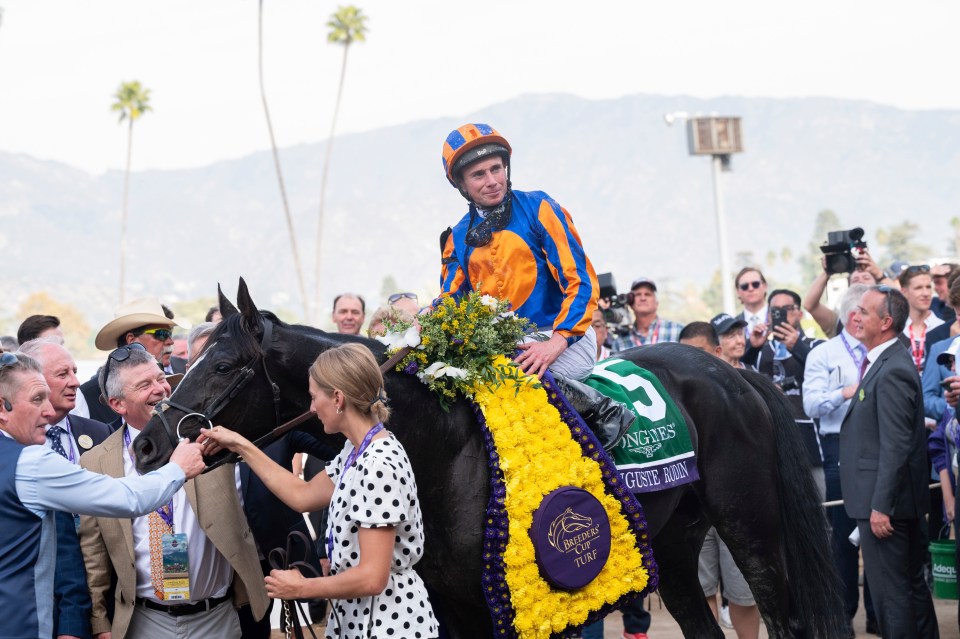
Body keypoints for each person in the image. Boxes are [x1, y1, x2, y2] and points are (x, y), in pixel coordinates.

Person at [200, 343, 439, 639]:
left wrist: (302, 587)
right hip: (360, 619)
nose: (312, 408)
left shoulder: (378, 464)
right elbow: (303, 495)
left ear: (338, 398)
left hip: (387, 624)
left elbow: (372, 577)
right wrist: (241, 445)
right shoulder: (356, 449)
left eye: (314, 397)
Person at [0, 351, 205, 639]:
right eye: (37, 399)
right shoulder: (30, 463)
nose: (49, 411)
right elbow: (128, 498)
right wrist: (178, 469)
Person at [78, 345, 268, 638]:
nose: (161, 390)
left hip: (216, 615)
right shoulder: (96, 463)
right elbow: (94, 553)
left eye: (160, 378)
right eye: (144, 385)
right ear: (117, 404)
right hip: (144, 621)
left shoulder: (211, 441)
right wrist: (101, 622)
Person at [437, 123, 598, 381]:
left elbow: (581, 282)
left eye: (496, 169)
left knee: (514, 382)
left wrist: (556, 343)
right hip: (502, 348)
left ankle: (605, 414)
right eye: (479, 174)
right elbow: (451, 300)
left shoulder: (540, 208)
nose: (492, 181)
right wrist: (425, 319)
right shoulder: (457, 237)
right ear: (462, 184)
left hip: (565, 338)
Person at [841, 285, 938, 638]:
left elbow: (897, 444)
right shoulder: (885, 359)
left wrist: (881, 505)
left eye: (863, 312)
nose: (855, 316)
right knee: (909, 590)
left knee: (891, 598)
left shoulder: (893, 367)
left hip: (886, 505)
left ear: (885, 322)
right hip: (888, 500)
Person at [16, 339, 116, 639]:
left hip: (106, 595)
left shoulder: (100, 432)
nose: (75, 381)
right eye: (63, 374)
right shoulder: (16, 448)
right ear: (32, 380)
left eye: (74, 371)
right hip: (39, 607)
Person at [801, 284, 878, 637]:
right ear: (854, 315)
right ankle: (843, 617)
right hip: (838, 446)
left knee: (880, 528)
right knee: (845, 536)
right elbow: (811, 406)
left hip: (879, 444)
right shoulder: (824, 353)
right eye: (868, 309)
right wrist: (844, 392)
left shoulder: (884, 350)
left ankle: (879, 614)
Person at [744, 289, 825, 496]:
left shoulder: (816, 346)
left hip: (812, 439)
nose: (781, 314)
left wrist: (797, 346)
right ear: (768, 315)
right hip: (773, 438)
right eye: (775, 310)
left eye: (787, 309)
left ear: (800, 313)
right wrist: (752, 347)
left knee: (821, 503)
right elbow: (738, 370)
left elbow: (825, 371)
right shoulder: (761, 349)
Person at [79, 296, 182, 423]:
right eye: (161, 334)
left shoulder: (176, 386)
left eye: (170, 333)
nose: (170, 341)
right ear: (131, 340)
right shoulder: (86, 396)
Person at [802, 248, 887, 336]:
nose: (860, 281)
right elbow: (810, 305)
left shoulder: (888, 315)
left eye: (866, 278)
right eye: (855, 279)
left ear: (877, 284)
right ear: (849, 287)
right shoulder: (840, 321)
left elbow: (901, 301)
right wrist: (827, 271)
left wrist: (879, 274)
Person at [610, 278, 684, 351]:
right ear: (631, 303)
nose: (643, 298)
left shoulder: (678, 331)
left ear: (656, 303)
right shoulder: (619, 342)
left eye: (647, 294)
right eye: (638, 294)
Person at [900, 265, 945, 375]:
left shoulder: (943, 328)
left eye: (928, 287)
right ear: (904, 292)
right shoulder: (896, 330)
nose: (925, 293)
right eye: (918, 288)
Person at [734, 267, 768, 334]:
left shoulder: (779, 317)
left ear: (765, 286)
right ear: (738, 291)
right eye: (744, 286)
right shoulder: (734, 325)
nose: (750, 289)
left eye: (755, 284)